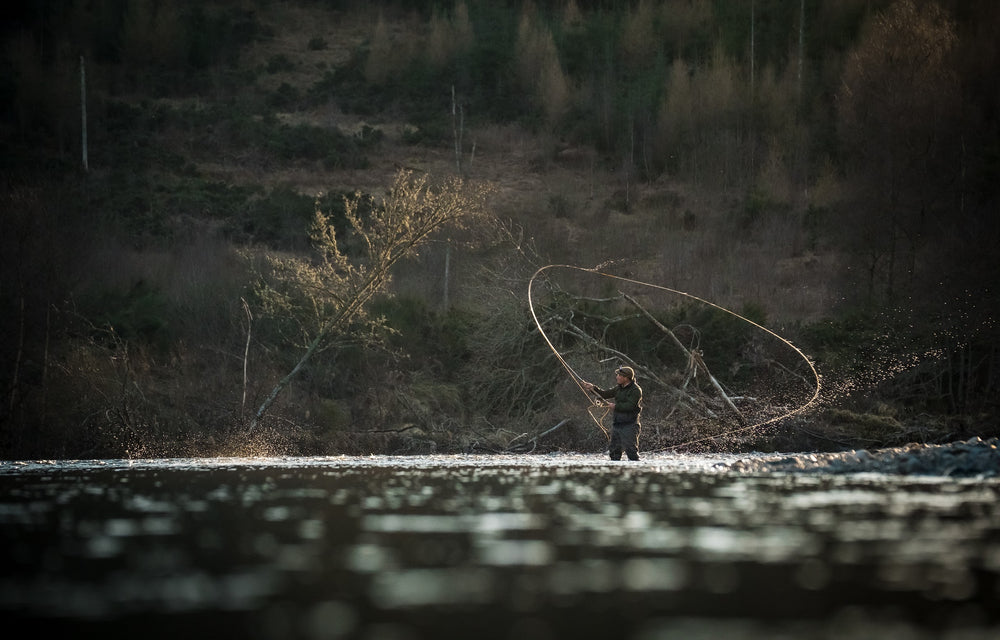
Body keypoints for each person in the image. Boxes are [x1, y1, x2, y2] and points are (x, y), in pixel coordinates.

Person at [583, 366, 643, 461]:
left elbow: (630, 406)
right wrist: (592, 388)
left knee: (631, 452)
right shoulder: (618, 388)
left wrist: (616, 406)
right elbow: (604, 394)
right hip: (617, 424)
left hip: (630, 424)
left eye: (619, 375)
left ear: (626, 377)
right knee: (614, 453)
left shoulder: (636, 390)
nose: (617, 377)